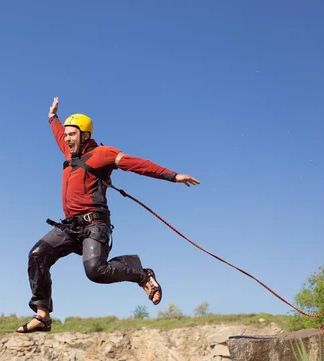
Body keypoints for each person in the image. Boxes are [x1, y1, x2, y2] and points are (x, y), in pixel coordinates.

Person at [16, 97, 200, 333]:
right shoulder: (69, 151)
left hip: (95, 224)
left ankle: (141, 274)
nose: (68, 138)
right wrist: (53, 118)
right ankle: (42, 315)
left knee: (95, 271)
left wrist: (172, 176)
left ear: (84, 135)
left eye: (73, 134)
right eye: (67, 134)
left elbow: (136, 163)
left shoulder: (103, 153)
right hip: (70, 227)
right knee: (37, 254)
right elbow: (58, 133)